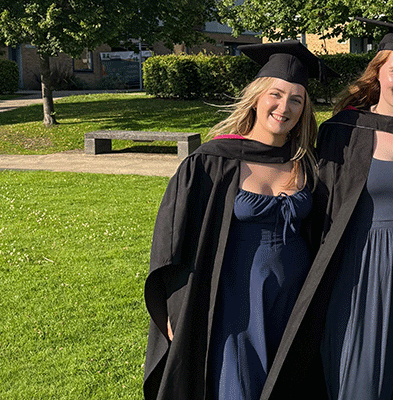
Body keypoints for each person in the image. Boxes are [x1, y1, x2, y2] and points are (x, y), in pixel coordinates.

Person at [257, 18, 393, 400]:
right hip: (357, 276)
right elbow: (315, 206)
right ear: (378, 73)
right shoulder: (343, 131)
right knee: (357, 377)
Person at [143, 41, 336, 400]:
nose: (285, 107)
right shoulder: (212, 162)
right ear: (257, 97)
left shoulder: (307, 164)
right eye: (276, 95)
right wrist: (174, 309)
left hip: (294, 303)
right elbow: (171, 241)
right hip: (236, 304)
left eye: (296, 99)